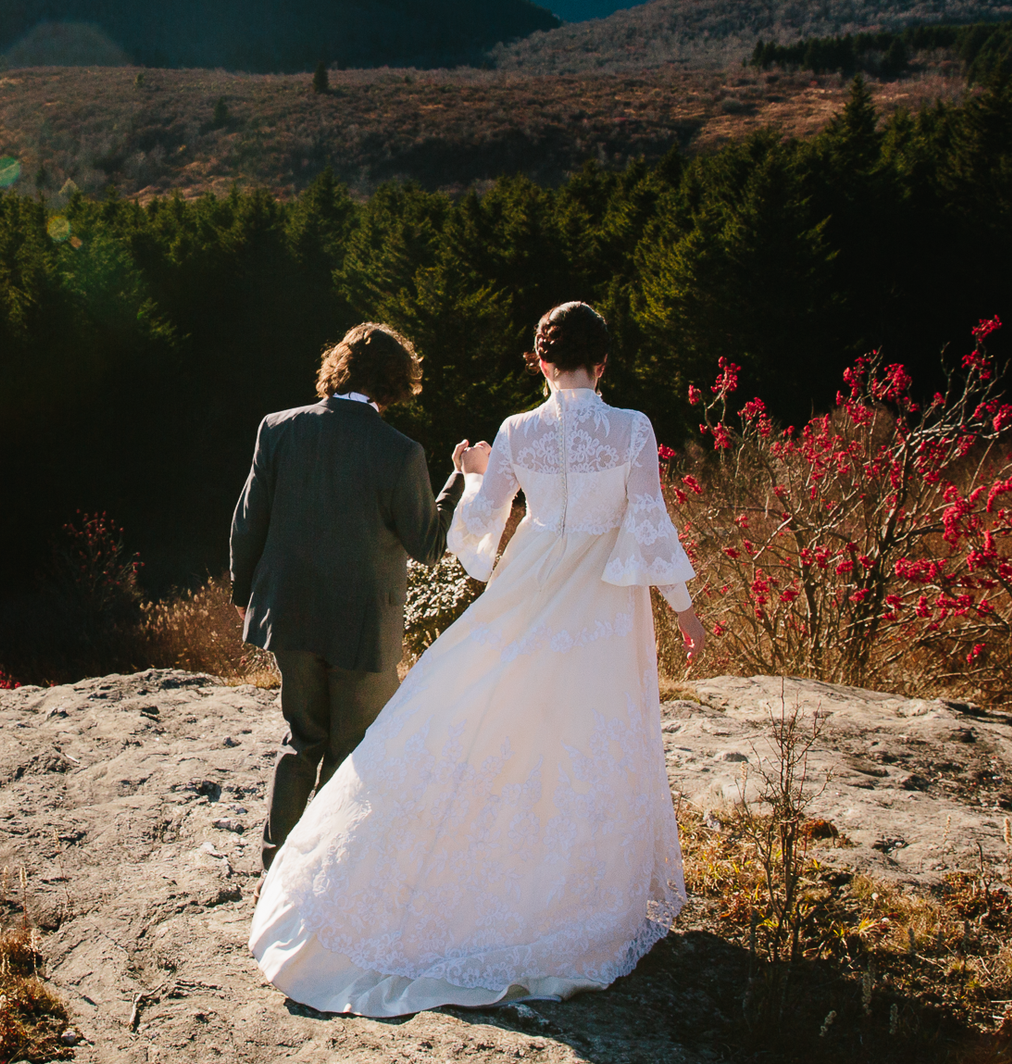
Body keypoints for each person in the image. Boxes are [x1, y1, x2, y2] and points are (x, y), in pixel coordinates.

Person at [249, 300, 709, 1016]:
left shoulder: (518, 429)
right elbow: (649, 519)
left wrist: (470, 474)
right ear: (603, 363)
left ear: (540, 362)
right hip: (603, 604)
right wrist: (683, 606)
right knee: (593, 734)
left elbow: (473, 537)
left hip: (530, 585)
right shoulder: (633, 428)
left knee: (507, 726)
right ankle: (584, 892)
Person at [230, 321, 466, 871]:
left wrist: (246, 594)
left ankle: (276, 868)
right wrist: (459, 481)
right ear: (397, 381)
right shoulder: (401, 453)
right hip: (363, 628)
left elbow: (247, 519)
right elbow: (429, 545)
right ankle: (324, 873)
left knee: (301, 741)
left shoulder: (278, 428)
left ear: (338, 366)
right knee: (352, 752)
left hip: (288, 614)